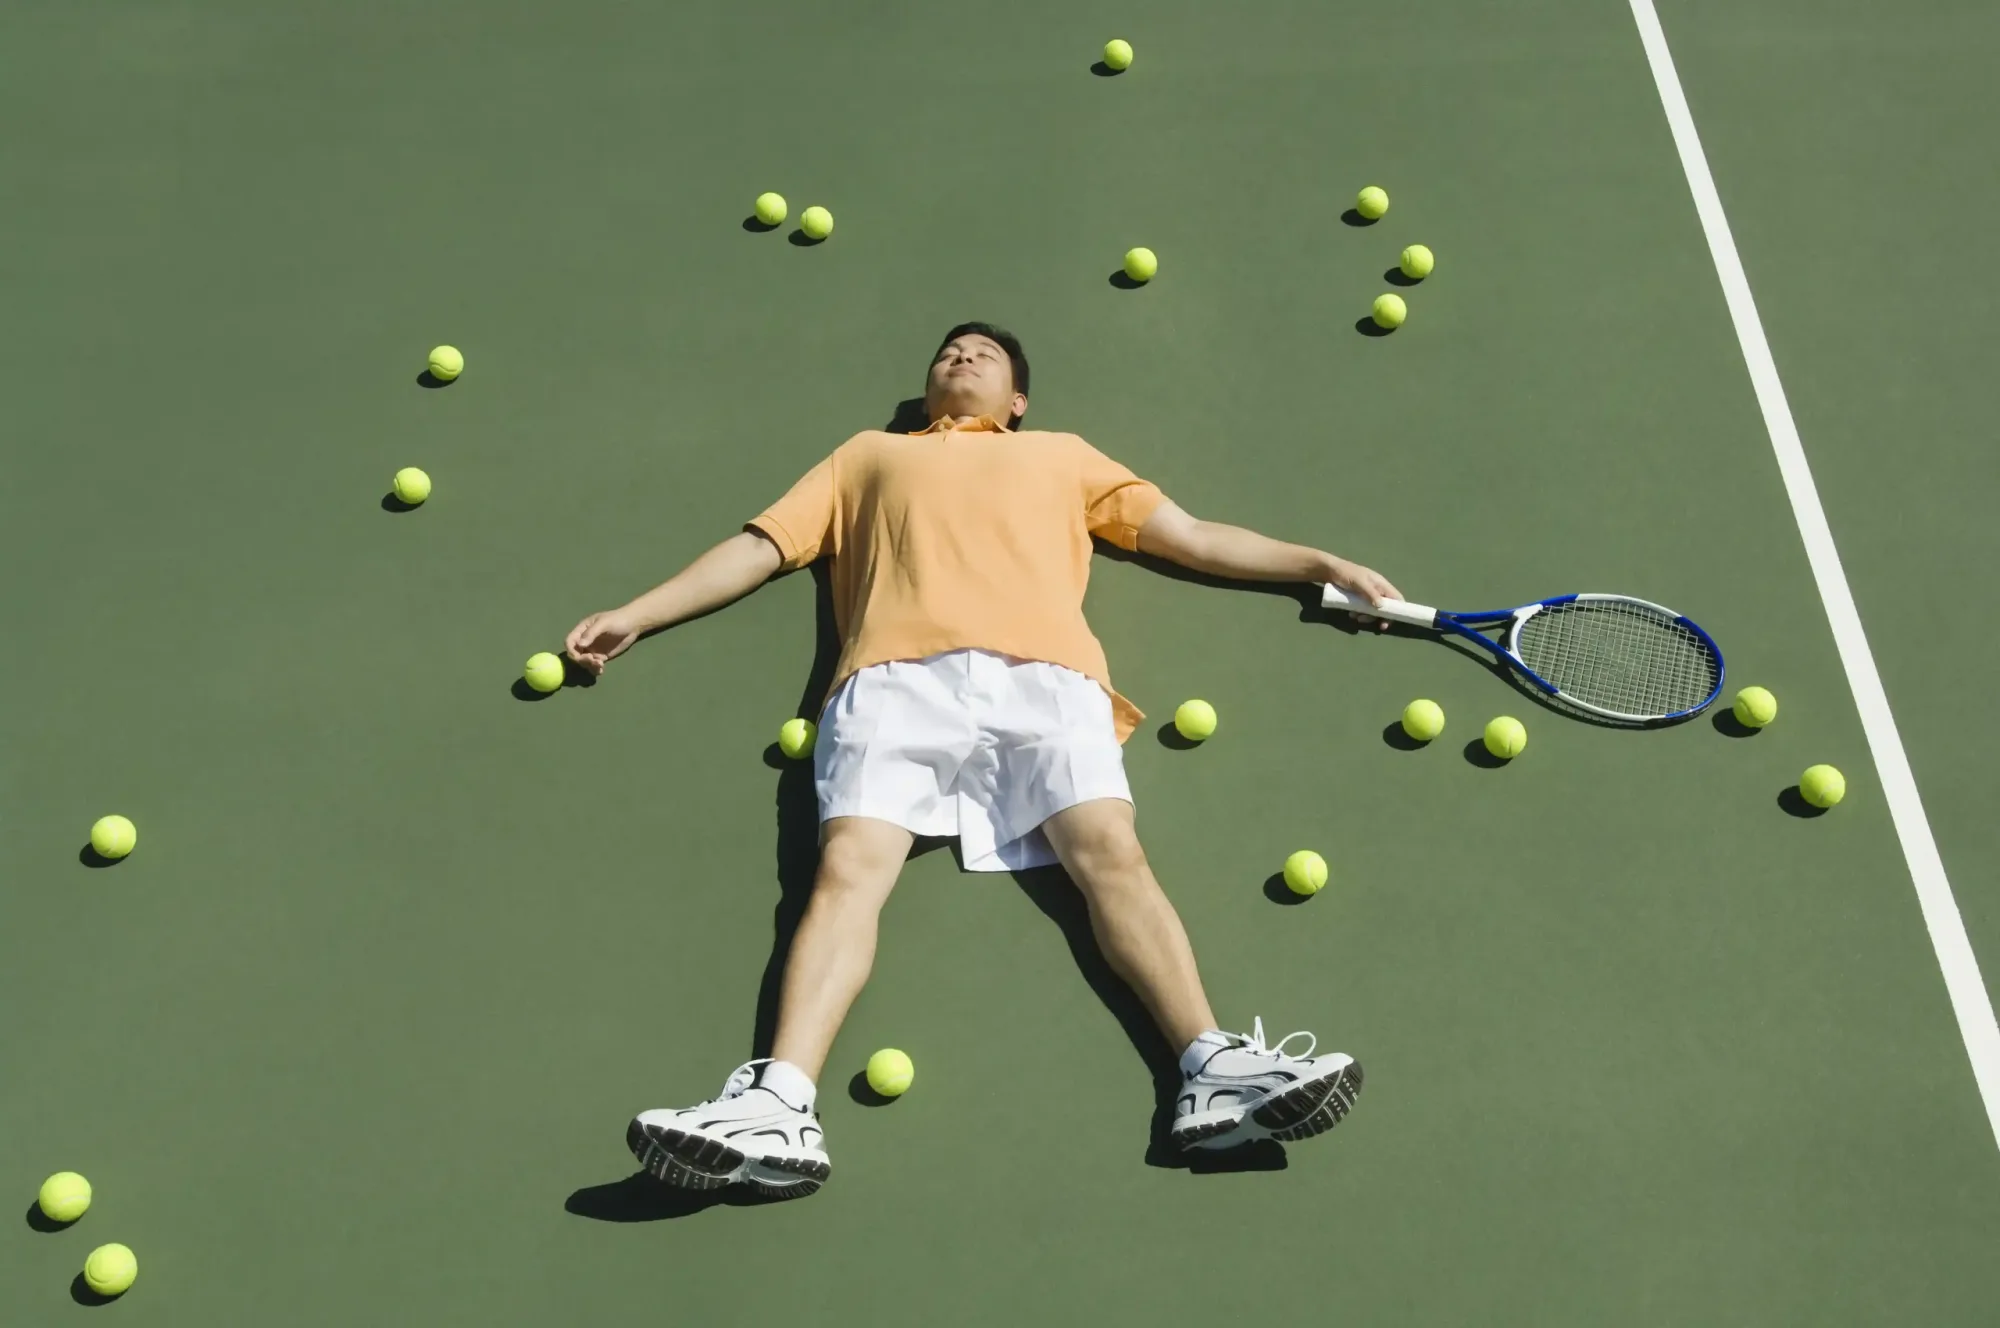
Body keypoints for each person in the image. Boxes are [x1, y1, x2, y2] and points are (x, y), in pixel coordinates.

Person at [564, 323, 1400, 1199]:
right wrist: (641, 612)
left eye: (984, 355)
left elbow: (1187, 535)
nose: (960, 359)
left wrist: (1316, 563)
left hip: (1048, 681)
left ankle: (1214, 1071)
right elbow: (762, 547)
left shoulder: (1063, 456)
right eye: (947, 352)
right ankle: (778, 1105)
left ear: (1019, 399)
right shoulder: (865, 456)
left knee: (1112, 855)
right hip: (891, 682)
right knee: (846, 869)